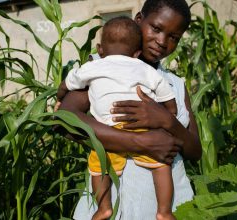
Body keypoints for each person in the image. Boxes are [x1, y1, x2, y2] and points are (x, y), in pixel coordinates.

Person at [58, 0, 202, 219]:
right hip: (113, 207)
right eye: (156, 28)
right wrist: (141, 142)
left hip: (171, 209)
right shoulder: (102, 68)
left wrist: (167, 121)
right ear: (138, 20)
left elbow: (194, 151)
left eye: (174, 38)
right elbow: (66, 120)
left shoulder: (174, 85)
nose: (162, 41)